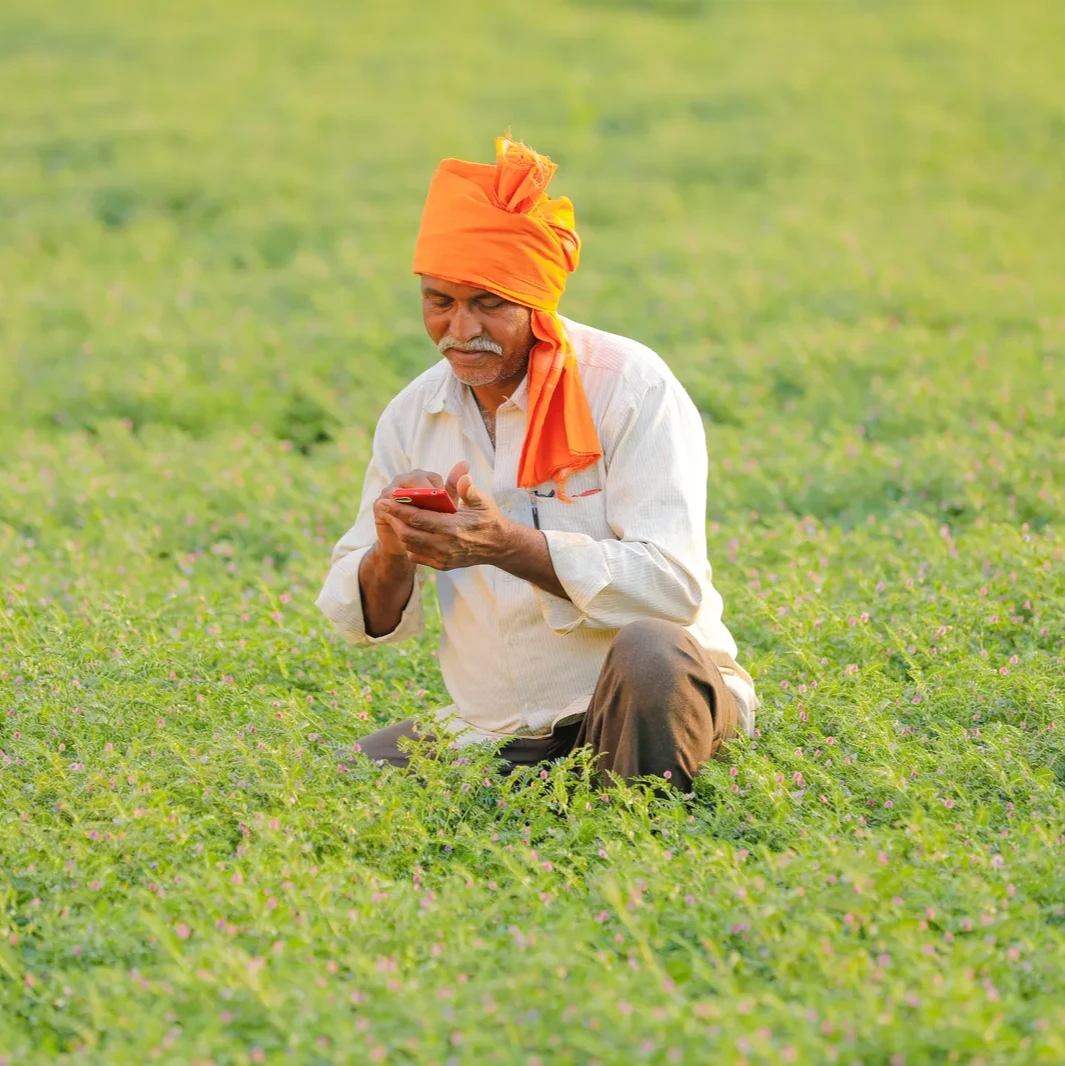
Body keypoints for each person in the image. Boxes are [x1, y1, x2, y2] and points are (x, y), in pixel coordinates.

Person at [316, 137, 758, 792]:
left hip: (644, 702)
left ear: (537, 301)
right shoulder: (414, 415)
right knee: (351, 779)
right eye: (440, 301)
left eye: (488, 303)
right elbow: (365, 624)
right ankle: (564, 793)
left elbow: (673, 589)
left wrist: (505, 545)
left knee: (652, 654)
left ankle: (641, 825)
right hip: (499, 728)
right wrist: (393, 547)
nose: (460, 330)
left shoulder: (628, 386)